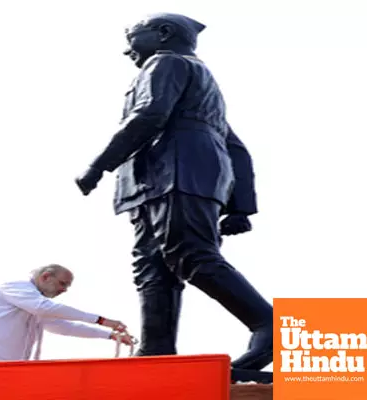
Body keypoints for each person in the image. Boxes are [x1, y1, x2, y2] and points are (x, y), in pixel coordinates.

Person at [75, 13, 273, 372]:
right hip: (155, 182)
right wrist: (240, 207)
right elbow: (236, 147)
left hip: (178, 173)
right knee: (152, 266)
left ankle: (269, 325)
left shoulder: (166, 62)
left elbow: (149, 114)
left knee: (191, 255)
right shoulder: (199, 87)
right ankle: (156, 350)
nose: (126, 50)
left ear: (163, 34)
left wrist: (98, 166)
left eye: (134, 37)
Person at [0, 264, 135, 362]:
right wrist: (101, 320)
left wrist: (110, 335)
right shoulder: (17, 288)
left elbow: (62, 327)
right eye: (62, 284)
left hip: (2, 369)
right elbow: (45, 308)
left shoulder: (35, 304)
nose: (64, 290)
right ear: (45, 276)